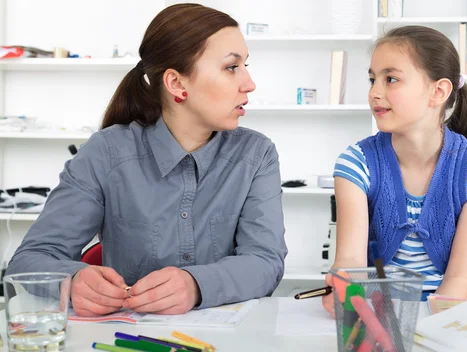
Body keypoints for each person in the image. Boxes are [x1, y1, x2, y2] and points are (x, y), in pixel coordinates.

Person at [6, 3, 287, 317]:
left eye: (245, 65)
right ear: (177, 84)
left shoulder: (256, 154)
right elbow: (31, 258)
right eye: (232, 67)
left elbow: (265, 261)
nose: (249, 83)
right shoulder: (105, 153)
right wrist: (73, 281)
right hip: (125, 338)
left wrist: (196, 285)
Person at [323, 25, 467, 316]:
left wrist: (426, 333)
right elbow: (350, 261)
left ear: (439, 91)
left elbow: (458, 279)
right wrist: (344, 289)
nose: (374, 92)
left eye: (391, 79)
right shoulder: (355, 163)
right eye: (372, 79)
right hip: (376, 314)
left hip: (449, 312)